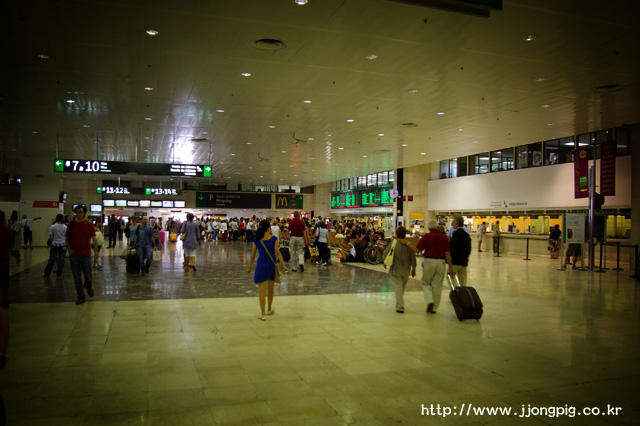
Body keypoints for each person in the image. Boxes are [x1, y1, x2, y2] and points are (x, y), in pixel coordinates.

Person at [401, 219, 455, 314]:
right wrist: (450, 268)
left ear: (429, 228)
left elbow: (417, 250)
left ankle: (430, 300)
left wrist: (408, 243)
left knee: (425, 282)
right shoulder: (444, 237)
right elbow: (447, 253)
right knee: (437, 285)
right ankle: (434, 307)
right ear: (437, 227)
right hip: (441, 262)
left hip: (429, 261)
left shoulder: (426, 237)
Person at [245, 219, 289, 321]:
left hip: (261, 265)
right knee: (270, 289)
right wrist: (284, 266)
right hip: (271, 265)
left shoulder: (256, 240)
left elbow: (252, 256)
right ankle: (269, 309)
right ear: (269, 228)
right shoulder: (274, 239)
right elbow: (278, 253)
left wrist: (249, 267)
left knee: (261, 291)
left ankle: (263, 314)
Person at [66, 205, 98, 305]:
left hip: (85, 254)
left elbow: (94, 238)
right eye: (77, 212)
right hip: (74, 255)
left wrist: (96, 251)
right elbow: (67, 238)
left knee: (88, 275)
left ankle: (88, 286)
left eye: (80, 212)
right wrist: (69, 249)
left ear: (84, 213)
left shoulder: (88, 224)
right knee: (77, 277)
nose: (79, 214)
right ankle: (81, 296)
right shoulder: (71, 224)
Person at [382, 226, 416, 314]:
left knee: (398, 287)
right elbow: (413, 257)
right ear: (405, 234)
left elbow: (386, 253)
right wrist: (414, 268)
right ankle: (399, 303)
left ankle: (400, 306)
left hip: (395, 268)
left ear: (396, 234)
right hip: (406, 269)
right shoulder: (409, 244)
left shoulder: (394, 243)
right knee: (401, 288)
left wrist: (384, 262)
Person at [449, 216, 472, 286]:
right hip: (464, 261)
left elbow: (453, 247)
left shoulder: (456, 233)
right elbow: (469, 248)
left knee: (451, 276)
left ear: (457, 223)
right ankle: (463, 291)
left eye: (453, 222)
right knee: (463, 280)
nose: (452, 224)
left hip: (456, 261)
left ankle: (456, 290)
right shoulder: (466, 234)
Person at [0, 211, 16, 308]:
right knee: (5, 281)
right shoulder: (9, 231)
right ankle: (5, 300)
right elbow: (11, 245)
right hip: (4, 258)